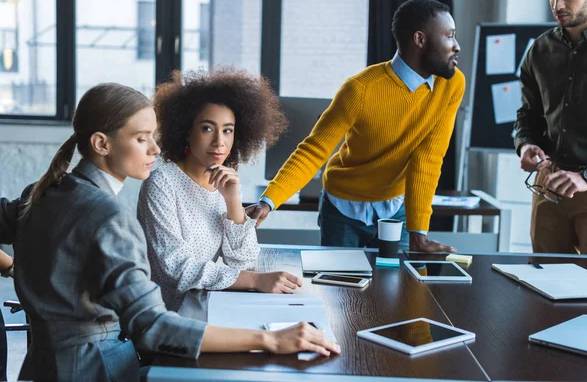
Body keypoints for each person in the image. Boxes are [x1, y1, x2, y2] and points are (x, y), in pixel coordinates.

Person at [0, 83, 339, 381]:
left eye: (153, 136)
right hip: (98, 369)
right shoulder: (110, 219)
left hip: (44, 365)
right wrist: (270, 340)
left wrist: (14, 269)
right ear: (102, 143)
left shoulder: (41, 191)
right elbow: (152, 326)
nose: (156, 149)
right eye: (140, 138)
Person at [246, 0, 465, 253]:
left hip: (396, 208)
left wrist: (419, 232)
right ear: (420, 40)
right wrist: (268, 201)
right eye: (449, 36)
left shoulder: (451, 84)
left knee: (403, 289)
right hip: (343, 209)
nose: (457, 46)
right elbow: (314, 150)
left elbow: (428, 158)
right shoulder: (360, 89)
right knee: (341, 289)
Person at [138, 68, 300, 311]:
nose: (219, 142)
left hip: (208, 305)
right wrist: (257, 281)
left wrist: (233, 201)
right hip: (167, 316)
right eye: (207, 128)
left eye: (227, 130)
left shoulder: (225, 182)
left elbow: (244, 262)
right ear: (186, 130)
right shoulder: (161, 183)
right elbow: (177, 267)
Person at [515, 0, 587, 256]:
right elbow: (528, 115)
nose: (557, 6)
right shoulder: (539, 50)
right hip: (547, 186)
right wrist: (526, 144)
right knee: (543, 285)